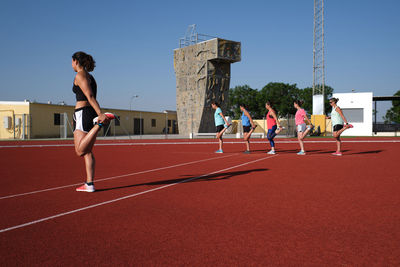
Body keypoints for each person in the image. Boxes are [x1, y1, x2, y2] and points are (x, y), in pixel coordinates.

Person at [71, 51, 115, 192]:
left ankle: (99, 125)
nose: (71, 64)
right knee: (87, 151)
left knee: (80, 151)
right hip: (85, 114)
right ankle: (89, 184)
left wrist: (100, 114)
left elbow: (90, 96)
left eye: (71, 61)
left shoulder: (80, 75)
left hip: (83, 114)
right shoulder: (90, 76)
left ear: (76, 61)